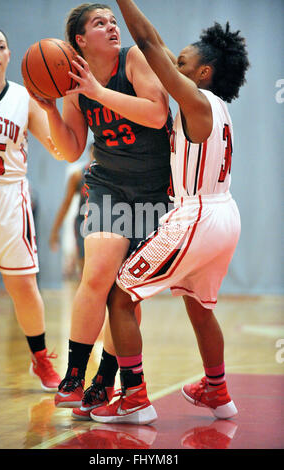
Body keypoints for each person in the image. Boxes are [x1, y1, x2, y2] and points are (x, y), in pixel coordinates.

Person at [89, 0, 250, 425]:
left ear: (204, 73)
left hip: (196, 216)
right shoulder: (216, 107)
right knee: (199, 306)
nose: (174, 56)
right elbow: (157, 45)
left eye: (185, 57)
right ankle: (218, 390)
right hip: (223, 215)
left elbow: (147, 41)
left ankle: (135, 399)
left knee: (119, 297)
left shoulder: (197, 102)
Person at [29, 3, 172, 418]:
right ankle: (76, 374)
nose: (112, 27)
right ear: (79, 39)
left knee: (124, 292)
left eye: (113, 21)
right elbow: (71, 147)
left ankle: (104, 379)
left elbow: (157, 112)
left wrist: (97, 91)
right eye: (100, 23)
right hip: (108, 184)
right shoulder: (72, 75)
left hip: (153, 190)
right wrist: (52, 110)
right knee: (96, 274)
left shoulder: (134, 59)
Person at [0, 27, 63, 390]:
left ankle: (40, 358)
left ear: (10, 54)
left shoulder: (23, 97)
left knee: (23, 286)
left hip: (9, 196)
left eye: (1, 45)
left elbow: (56, 146)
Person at [49, 143, 94, 277]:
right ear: (89, 154)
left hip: (105, 223)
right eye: (93, 153)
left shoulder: (111, 175)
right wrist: (55, 231)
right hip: (83, 224)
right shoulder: (78, 176)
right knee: (84, 266)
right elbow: (66, 204)